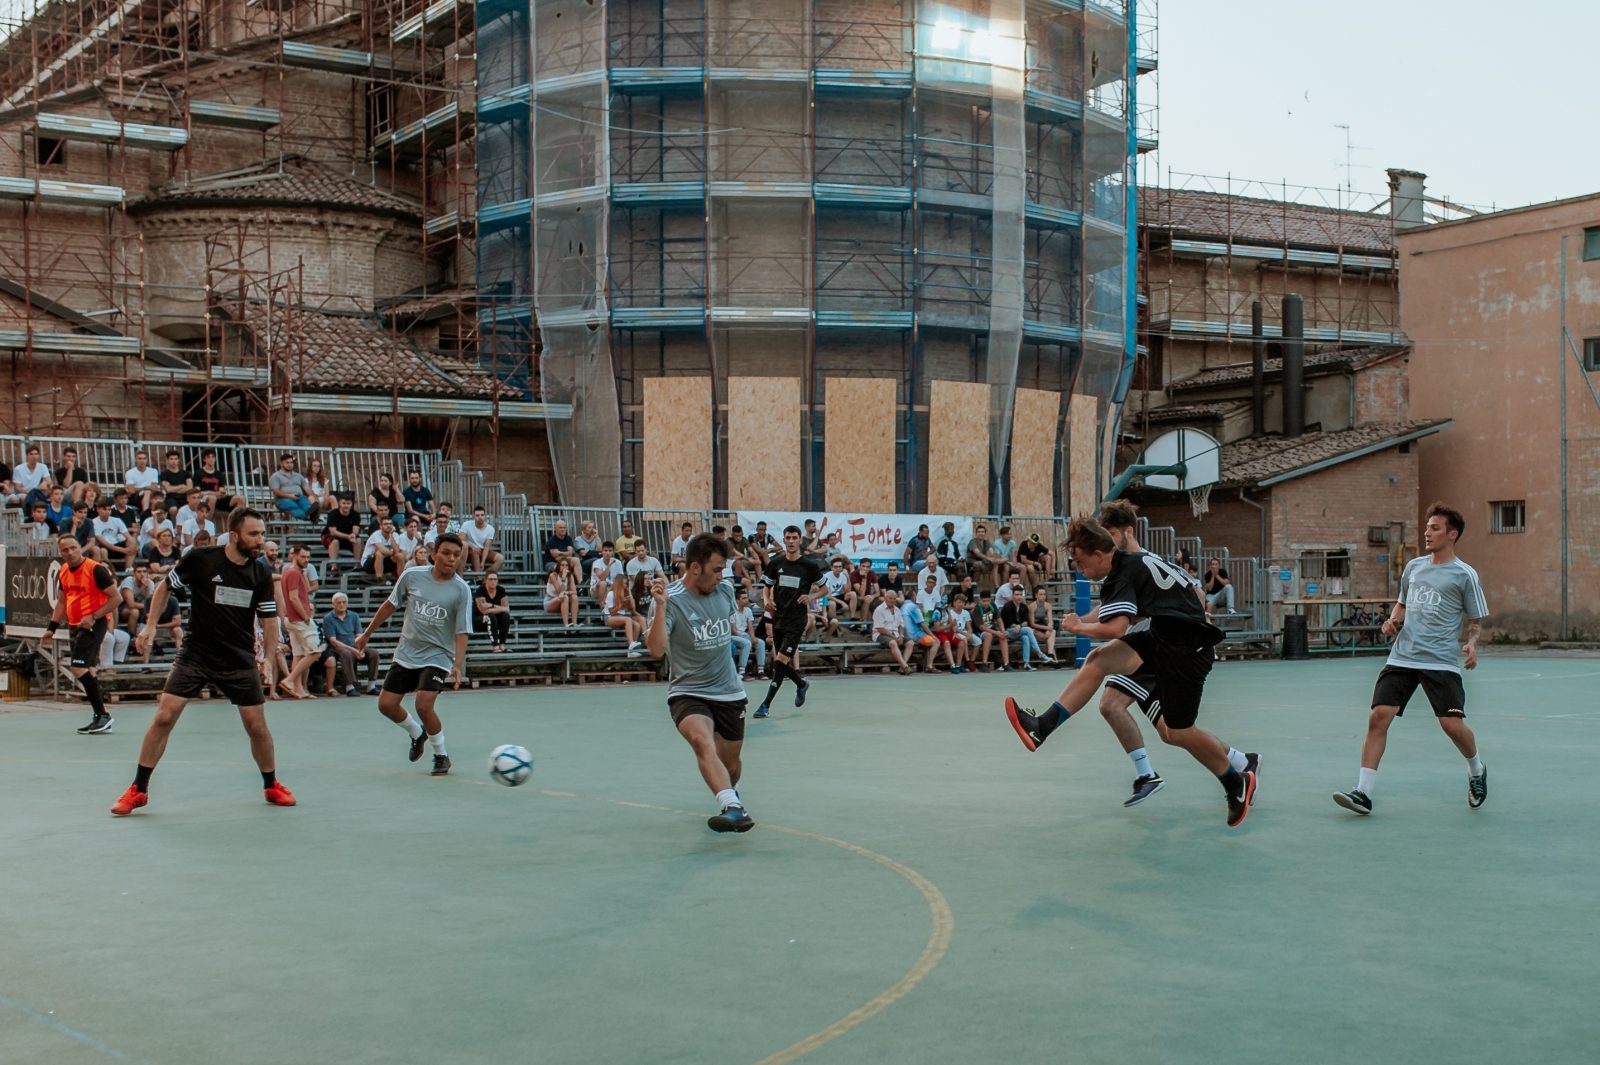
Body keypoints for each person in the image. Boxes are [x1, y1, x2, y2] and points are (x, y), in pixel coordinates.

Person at [1002, 518, 1257, 827]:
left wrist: (1078, 626)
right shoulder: (1133, 562)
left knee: (1177, 732)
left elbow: (1115, 628)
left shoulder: (1122, 572)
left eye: (1081, 563)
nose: (1079, 570)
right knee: (1098, 660)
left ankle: (1236, 782)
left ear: (1099, 554)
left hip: (1188, 651)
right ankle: (1042, 727)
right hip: (1164, 638)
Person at [112, 507, 295, 815]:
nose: (260, 540)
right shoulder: (201, 559)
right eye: (253, 534)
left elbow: (268, 620)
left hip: (238, 657)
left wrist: (267, 658)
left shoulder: (261, 573)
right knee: (164, 717)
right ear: (234, 536)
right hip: (196, 654)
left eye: (262, 534)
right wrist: (151, 625)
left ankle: (271, 785)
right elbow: (164, 587)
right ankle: (138, 790)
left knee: (256, 726)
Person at [1090, 501, 1258, 808]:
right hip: (1152, 648)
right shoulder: (1133, 564)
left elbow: (1196, 593)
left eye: (1111, 533)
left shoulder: (1142, 563)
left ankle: (1150, 776)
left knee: (1116, 707)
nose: (1107, 541)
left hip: (1158, 651)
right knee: (1169, 731)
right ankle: (1241, 761)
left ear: (1128, 532)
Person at [1333, 503, 1489, 816]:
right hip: (1402, 657)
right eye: (1427, 527)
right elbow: (1402, 604)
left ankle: (1477, 769)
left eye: (1435, 528)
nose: (1427, 532)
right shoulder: (1414, 567)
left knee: (1452, 726)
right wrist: (1393, 621)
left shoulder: (1465, 574)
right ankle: (1363, 792)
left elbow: (1476, 620)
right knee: (1378, 717)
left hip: (1440, 661)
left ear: (1452, 534)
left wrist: (1472, 643)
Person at [643, 534, 754, 833]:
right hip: (688, 691)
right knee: (702, 742)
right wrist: (661, 607)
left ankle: (732, 794)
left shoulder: (725, 591)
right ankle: (732, 808)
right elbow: (656, 649)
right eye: (716, 570)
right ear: (695, 567)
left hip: (729, 691)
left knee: (731, 765)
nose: (721, 576)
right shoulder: (669, 599)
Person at [355, 533, 471, 776]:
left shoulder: (461, 590)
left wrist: (458, 664)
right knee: (386, 705)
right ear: (434, 555)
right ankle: (417, 733)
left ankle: (441, 755)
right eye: (446, 553)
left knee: (423, 705)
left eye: (456, 555)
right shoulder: (412, 576)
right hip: (407, 652)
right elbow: (390, 604)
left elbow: (462, 631)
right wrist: (366, 634)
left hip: (438, 655)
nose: (452, 559)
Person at [44, 536, 120, 735]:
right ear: (60, 553)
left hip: (94, 623)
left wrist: (94, 617)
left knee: (77, 668)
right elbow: (62, 602)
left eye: (73, 548)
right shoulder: (63, 570)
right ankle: (100, 717)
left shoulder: (95, 569)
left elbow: (116, 598)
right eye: (65, 550)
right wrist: (51, 628)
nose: (70, 553)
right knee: (88, 670)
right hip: (75, 625)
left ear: (80, 548)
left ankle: (103, 715)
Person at [754, 525, 826, 719]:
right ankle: (801, 684)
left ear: (800, 540)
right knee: (780, 662)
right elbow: (766, 587)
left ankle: (765, 705)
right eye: (788, 538)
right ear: (784, 540)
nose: (791, 541)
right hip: (778, 619)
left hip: (797, 620)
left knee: (780, 661)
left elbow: (824, 589)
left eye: (795, 538)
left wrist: (811, 597)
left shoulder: (809, 566)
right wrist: (766, 600)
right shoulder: (775, 563)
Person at [277, 545, 322, 700]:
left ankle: (299, 689)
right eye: (303, 557)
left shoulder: (294, 572)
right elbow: (293, 598)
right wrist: (306, 617)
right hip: (299, 619)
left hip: (292, 619)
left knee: (298, 654)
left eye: (308, 557)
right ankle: (289, 680)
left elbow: (307, 589)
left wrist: (303, 572)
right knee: (315, 652)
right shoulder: (293, 573)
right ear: (294, 556)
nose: (306, 560)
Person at [322, 593, 379, 696]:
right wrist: (353, 650)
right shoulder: (328, 618)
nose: (341, 604)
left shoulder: (354, 616)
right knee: (347, 653)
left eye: (344, 602)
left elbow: (359, 635)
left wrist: (360, 649)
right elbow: (333, 641)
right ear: (333, 604)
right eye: (339, 602)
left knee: (373, 653)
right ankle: (349, 686)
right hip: (337, 647)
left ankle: (372, 685)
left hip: (354, 645)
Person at [1000, 585, 1043, 670]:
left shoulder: (1024, 607)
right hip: (1008, 632)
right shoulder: (1007, 607)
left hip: (1020, 631)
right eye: (1016, 595)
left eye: (1020, 595)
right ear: (1012, 596)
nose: (1019, 597)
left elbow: (1026, 622)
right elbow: (1009, 624)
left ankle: (1026, 663)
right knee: (1028, 629)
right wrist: (1019, 626)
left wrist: (1019, 626)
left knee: (1026, 638)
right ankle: (1039, 653)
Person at [871, 589, 913, 675]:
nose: (892, 600)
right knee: (893, 643)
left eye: (894, 598)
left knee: (910, 643)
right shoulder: (879, 610)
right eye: (890, 598)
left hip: (896, 633)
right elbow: (880, 629)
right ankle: (905, 666)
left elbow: (901, 625)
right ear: (885, 598)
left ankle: (902, 667)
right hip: (880, 634)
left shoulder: (897, 610)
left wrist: (901, 636)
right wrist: (894, 637)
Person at [90, 498, 137, 571]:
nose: (107, 512)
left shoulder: (117, 520)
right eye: (104, 509)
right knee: (103, 550)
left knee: (132, 540)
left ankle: (128, 569)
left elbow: (127, 536)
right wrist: (124, 550)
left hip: (116, 545)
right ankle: (108, 570)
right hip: (104, 547)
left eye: (109, 509)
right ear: (98, 509)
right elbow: (103, 542)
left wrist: (131, 547)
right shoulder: (93, 522)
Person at [269, 453, 317, 522]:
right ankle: (309, 517)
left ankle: (312, 516)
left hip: (299, 497)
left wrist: (316, 498)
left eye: (291, 462)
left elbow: (307, 488)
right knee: (292, 505)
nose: (289, 464)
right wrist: (289, 496)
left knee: (305, 503)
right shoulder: (276, 476)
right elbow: (275, 491)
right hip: (283, 499)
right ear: (281, 464)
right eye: (287, 463)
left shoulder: (298, 476)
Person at [604, 574, 644, 654]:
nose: (626, 585)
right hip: (609, 617)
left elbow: (632, 607)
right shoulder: (611, 594)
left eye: (627, 584)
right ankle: (631, 643)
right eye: (625, 584)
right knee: (628, 620)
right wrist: (621, 603)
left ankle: (632, 651)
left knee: (637, 625)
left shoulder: (625, 593)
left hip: (621, 617)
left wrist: (629, 591)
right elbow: (612, 612)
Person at [730, 587, 764, 678]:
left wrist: (752, 637)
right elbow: (733, 630)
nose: (746, 600)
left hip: (745, 635)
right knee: (747, 643)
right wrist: (745, 638)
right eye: (744, 598)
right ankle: (741, 670)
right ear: (737, 600)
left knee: (760, 642)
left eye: (747, 598)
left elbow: (750, 626)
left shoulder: (748, 610)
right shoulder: (732, 611)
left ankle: (761, 671)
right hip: (733, 636)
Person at [322, 494, 360, 574]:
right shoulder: (332, 514)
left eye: (348, 503)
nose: (346, 506)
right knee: (335, 541)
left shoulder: (356, 515)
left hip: (347, 537)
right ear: (339, 503)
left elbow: (356, 530)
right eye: (344, 503)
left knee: (358, 540)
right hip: (329, 536)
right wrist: (348, 536)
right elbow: (333, 531)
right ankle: (333, 567)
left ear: (352, 504)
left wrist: (353, 535)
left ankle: (356, 566)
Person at [361, 516, 405, 582]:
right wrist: (393, 553)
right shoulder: (376, 535)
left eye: (390, 524)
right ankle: (380, 579)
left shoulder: (395, 535)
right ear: (381, 526)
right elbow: (383, 550)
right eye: (386, 524)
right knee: (379, 554)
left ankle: (401, 579)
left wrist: (391, 535)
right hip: (369, 562)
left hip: (385, 562)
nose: (388, 526)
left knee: (400, 556)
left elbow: (397, 551)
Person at [476, 571, 512, 652]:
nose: (493, 581)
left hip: (495, 618)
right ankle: (495, 646)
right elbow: (484, 611)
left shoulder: (501, 590)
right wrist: (500, 608)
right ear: (486, 580)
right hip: (480, 618)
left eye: (495, 579)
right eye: (490, 579)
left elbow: (507, 609)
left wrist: (491, 605)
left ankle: (502, 645)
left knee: (505, 616)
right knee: (491, 616)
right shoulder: (480, 590)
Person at [973, 589, 1008, 671]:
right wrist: (996, 633)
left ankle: (1006, 663)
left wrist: (1002, 630)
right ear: (979, 600)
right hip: (979, 633)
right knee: (988, 635)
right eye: (983, 601)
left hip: (992, 631)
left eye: (987, 601)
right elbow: (981, 627)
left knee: (1003, 636)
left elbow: (999, 619)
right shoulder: (977, 608)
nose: (986, 603)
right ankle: (984, 663)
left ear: (990, 600)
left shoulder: (993, 606)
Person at [462, 506, 503, 574]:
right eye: (477, 515)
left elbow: (487, 547)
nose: (480, 517)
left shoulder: (490, 529)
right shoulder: (466, 524)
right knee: (475, 552)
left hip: (482, 550)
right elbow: (462, 540)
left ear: (485, 515)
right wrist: (472, 547)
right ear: (473, 516)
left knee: (500, 558)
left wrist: (482, 562)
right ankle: (479, 577)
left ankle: (487, 575)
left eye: (482, 515)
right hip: (468, 550)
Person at [544, 554, 579, 628]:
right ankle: (566, 625)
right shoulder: (553, 575)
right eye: (562, 565)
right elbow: (560, 591)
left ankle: (574, 623)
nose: (564, 567)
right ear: (558, 566)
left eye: (566, 565)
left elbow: (574, 591)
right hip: (550, 601)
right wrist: (563, 578)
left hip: (563, 600)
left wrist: (566, 592)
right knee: (564, 597)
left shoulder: (570, 576)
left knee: (574, 597)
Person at [156, 450, 193, 518]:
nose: (174, 461)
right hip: (172, 498)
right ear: (167, 460)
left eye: (175, 459)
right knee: (173, 510)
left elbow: (190, 487)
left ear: (179, 460)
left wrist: (174, 488)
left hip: (185, 497)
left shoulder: (185, 473)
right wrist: (182, 486)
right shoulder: (164, 474)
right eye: (171, 459)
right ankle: (175, 525)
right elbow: (168, 489)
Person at [122, 448, 158, 513]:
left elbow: (155, 488)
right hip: (135, 497)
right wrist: (146, 487)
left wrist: (138, 488)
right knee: (147, 492)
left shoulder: (153, 471)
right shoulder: (130, 473)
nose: (142, 461)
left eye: (144, 458)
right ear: (135, 460)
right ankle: (145, 513)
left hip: (151, 495)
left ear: (147, 460)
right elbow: (131, 491)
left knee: (155, 496)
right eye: (140, 458)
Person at [1031, 585, 1058, 661]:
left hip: (1044, 628)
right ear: (1036, 596)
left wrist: (1048, 630)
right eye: (1041, 594)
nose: (1043, 596)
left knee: (1053, 632)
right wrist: (1046, 628)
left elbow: (1050, 621)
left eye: (1044, 594)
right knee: (1050, 641)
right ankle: (1055, 660)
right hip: (1035, 629)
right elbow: (1032, 624)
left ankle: (1050, 654)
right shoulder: (1032, 606)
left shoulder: (1048, 606)